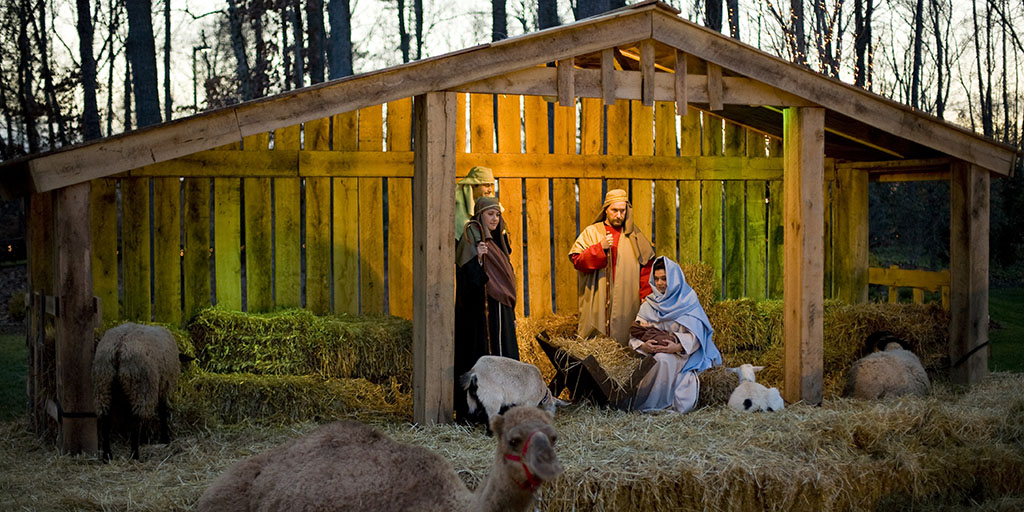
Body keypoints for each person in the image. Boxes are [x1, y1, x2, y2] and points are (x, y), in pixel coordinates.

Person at [628, 256, 721, 413]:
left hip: (685, 354)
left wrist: (677, 347)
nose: (660, 283)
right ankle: (643, 400)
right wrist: (644, 346)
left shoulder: (688, 300)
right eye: (656, 279)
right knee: (656, 359)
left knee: (662, 360)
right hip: (653, 352)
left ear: (674, 278)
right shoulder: (649, 304)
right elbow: (635, 334)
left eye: (664, 278)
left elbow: (697, 335)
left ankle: (657, 404)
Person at [453, 196, 519, 421]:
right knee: (483, 357)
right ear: (479, 215)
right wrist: (478, 258)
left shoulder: (499, 240)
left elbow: (505, 275)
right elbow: (466, 278)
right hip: (480, 313)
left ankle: (505, 406)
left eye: (497, 214)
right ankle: (481, 411)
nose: (494, 218)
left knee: (504, 355)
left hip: (501, 308)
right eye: (490, 214)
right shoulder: (471, 236)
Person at [569, 189, 655, 345]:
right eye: (614, 210)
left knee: (625, 341)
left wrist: (645, 296)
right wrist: (599, 248)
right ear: (606, 210)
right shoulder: (591, 232)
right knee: (594, 341)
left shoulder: (634, 235)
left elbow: (647, 267)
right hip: (597, 297)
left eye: (622, 211)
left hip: (626, 300)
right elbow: (577, 261)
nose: (619, 215)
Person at [454, 166, 496, 242]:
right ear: (474, 185)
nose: (490, 190)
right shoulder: (456, 202)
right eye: (486, 185)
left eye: (491, 185)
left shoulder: (490, 200)